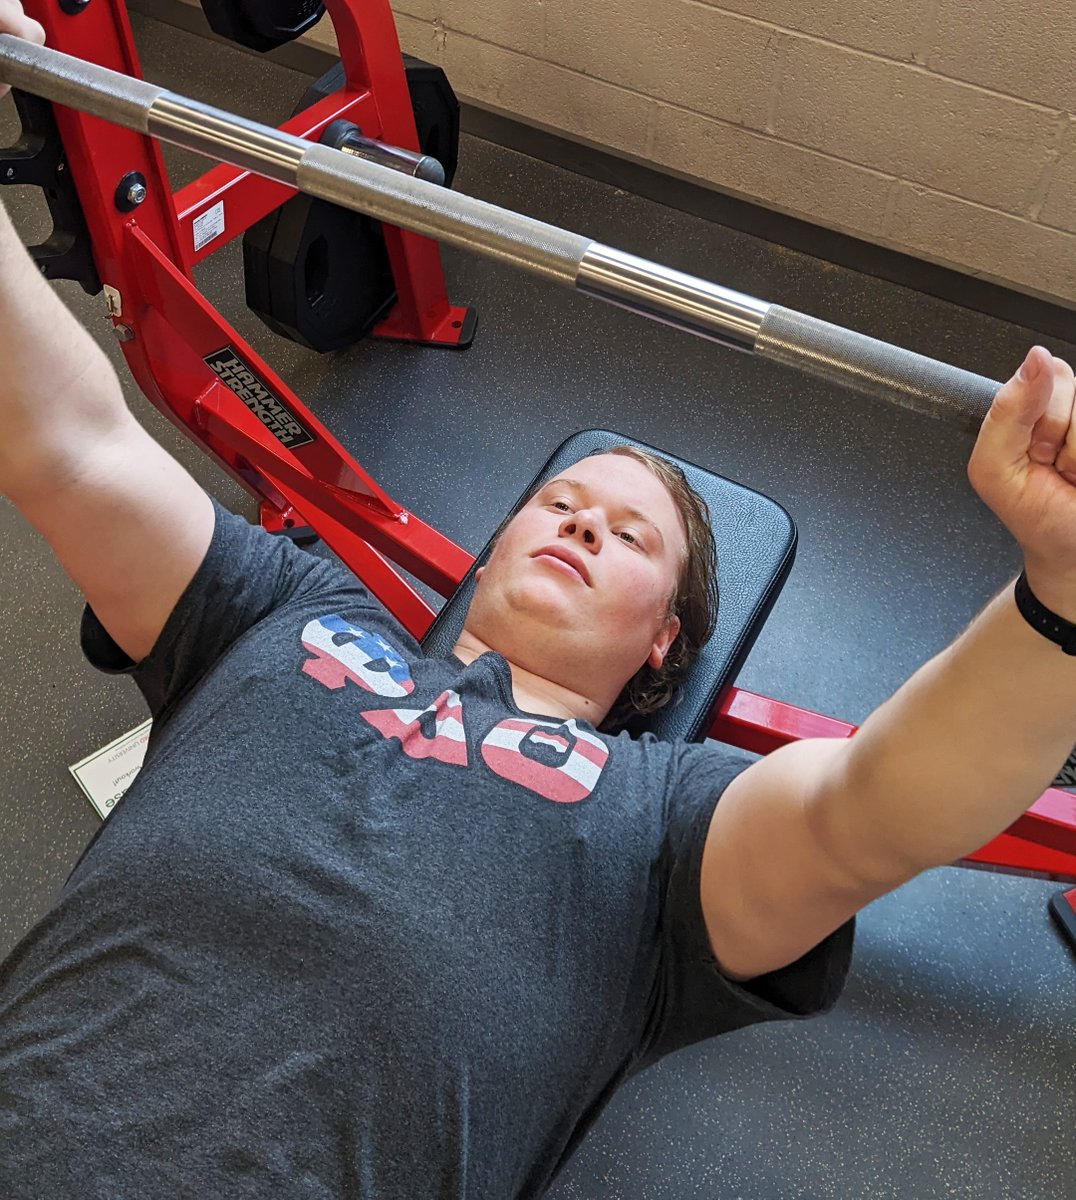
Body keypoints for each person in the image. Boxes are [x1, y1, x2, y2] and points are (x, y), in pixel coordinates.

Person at [2, 5, 1076, 1196]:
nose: (580, 522)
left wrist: (1060, 591)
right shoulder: (282, 613)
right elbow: (73, 446)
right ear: (496, 542)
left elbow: (871, 810)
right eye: (562, 501)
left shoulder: (657, 827)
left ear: (664, 640)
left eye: (628, 535)